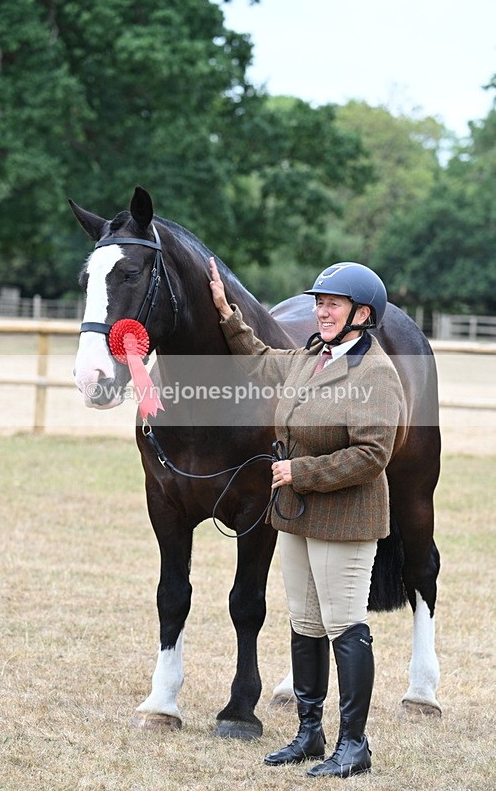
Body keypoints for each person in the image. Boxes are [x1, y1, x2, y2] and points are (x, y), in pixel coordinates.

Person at [208, 258, 403, 779]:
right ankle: (309, 732)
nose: (322, 312)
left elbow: (372, 454)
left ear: (363, 314)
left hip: (345, 517)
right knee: (305, 622)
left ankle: (354, 745)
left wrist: (301, 471)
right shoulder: (312, 357)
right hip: (296, 515)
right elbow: (260, 360)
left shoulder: (376, 373)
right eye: (319, 303)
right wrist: (227, 314)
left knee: (345, 625)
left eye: (333, 304)